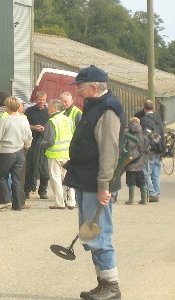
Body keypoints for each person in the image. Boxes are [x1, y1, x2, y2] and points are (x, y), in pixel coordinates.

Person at [63, 65, 125, 300]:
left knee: (99, 235)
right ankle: (103, 283)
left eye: (80, 86)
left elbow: (109, 151)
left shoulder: (107, 110)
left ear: (93, 87)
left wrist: (103, 186)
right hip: (87, 180)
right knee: (91, 235)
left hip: (96, 183)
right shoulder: (96, 107)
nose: (77, 90)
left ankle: (111, 286)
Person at [0, 96, 32, 210]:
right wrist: (26, 146)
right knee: (17, 178)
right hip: (20, 151)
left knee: (1, 175)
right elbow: (29, 136)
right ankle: (18, 204)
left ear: (8, 107)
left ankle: (5, 200)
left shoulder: (5, 120)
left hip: (7, 151)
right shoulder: (24, 119)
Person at [41, 99, 75, 209]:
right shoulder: (68, 120)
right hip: (67, 153)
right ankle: (71, 202)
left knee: (55, 178)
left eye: (49, 106)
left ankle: (59, 202)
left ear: (55, 108)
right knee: (68, 178)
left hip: (55, 154)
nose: (47, 107)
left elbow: (49, 140)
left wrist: (41, 144)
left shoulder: (52, 121)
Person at [24, 90, 50, 199]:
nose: (42, 102)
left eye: (44, 100)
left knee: (44, 168)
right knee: (29, 167)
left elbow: (51, 126)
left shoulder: (48, 111)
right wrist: (34, 127)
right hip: (32, 141)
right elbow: (24, 125)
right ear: (36, 100)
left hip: (44, 142)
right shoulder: (29, 111)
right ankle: (27, 190)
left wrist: (45, 129)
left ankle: (43, 191)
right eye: (40, 100)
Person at [140, 100, 165, 203]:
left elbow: (146, 135)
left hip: (151, 149)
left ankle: (151, 193)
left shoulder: (145, 119)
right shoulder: (158, 118)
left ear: (144, 108)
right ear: (153, 107)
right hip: (160, 148)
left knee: (145, 172)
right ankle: (157, 192)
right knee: (155, 173)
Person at [124, 117, 150, 205]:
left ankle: (131, 199)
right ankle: (144, 199)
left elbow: (122, 147)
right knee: (141, 180)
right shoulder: (143, 136)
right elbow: (147, 149)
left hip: (129, 161)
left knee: (131, 181)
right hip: (140, 162)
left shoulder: (126, 135)